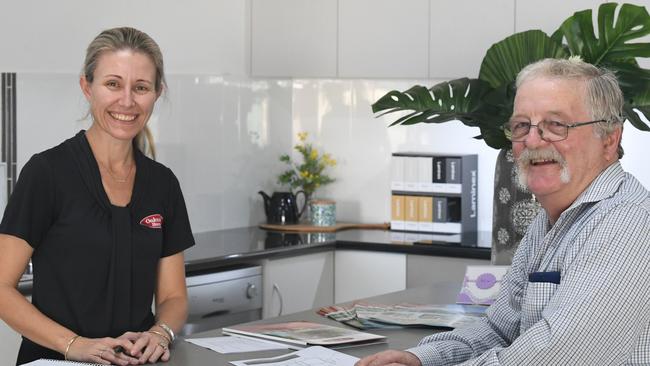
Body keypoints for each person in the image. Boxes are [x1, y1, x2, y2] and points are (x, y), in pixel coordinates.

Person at [357, 57, 650, 365]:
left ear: (609, 139)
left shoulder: (627, 224)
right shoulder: (550, 221)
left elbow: (556, 357)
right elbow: (499, 330)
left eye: (556, 125)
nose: (533, 140)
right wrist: (419, 359)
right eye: (522, 125)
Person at [0, 27, 195, 365]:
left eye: (141, 87)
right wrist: (74, 344)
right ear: (86, 86)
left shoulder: (163, 184)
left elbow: (174, 296)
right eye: (113, 84)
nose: (127, 101)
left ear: (157, 93)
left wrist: (160, 332)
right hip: (55, 361)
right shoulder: (47, 173)